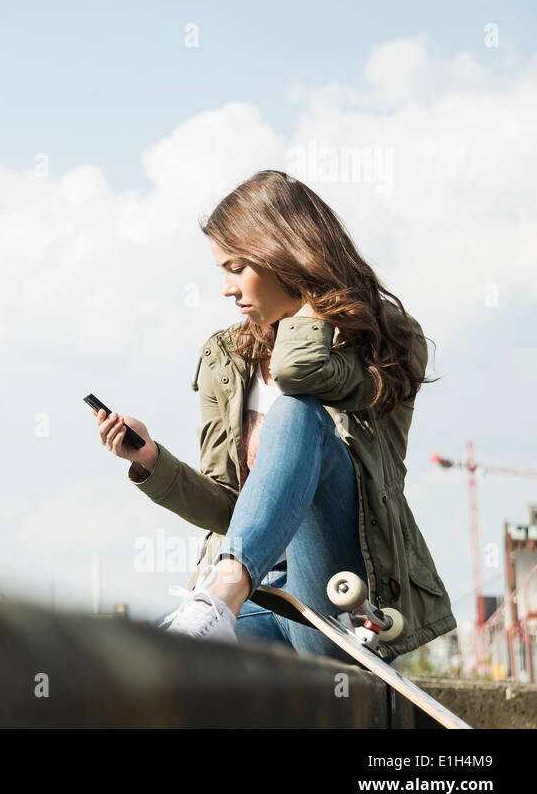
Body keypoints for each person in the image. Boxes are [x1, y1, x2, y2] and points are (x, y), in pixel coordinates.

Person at [93, 170, 456, 663]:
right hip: (262, 604)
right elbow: (230, 509)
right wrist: (155, 463)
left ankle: (216, 602)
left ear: (283, 255)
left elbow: (294, 371)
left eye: (237, 267)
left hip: (335, 605)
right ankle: (214, 608)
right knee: (144, 665)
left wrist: (310, 302)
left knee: (296, 413)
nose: (225, 288)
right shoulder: (228, 356)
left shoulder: (383, 339)